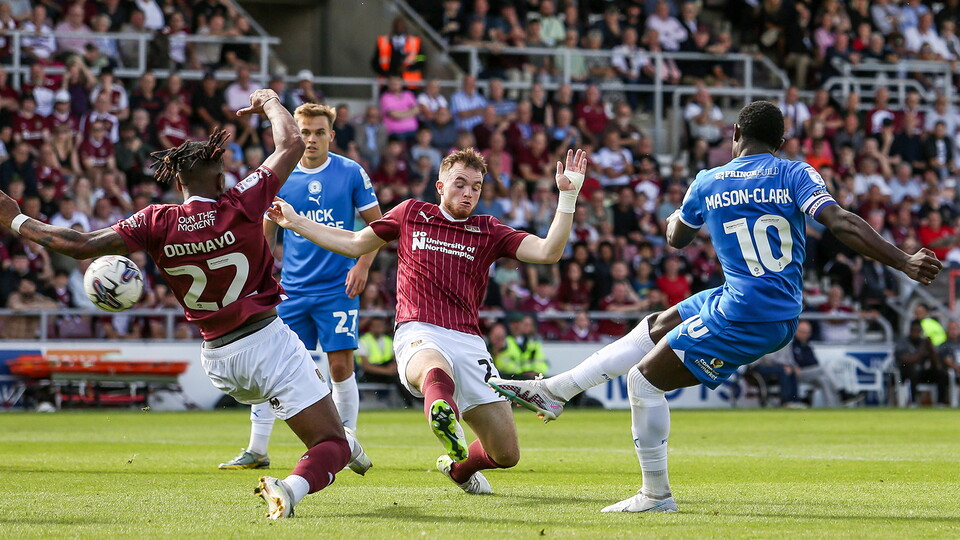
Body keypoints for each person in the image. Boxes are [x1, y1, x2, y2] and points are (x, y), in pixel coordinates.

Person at [487, 101, 940, 513]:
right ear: (780, 142)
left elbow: (677, 239)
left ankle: (656, 495)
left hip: (747, 315)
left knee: (642, 382)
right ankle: (557, 390)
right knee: (657, 324)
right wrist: (902, 260)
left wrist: (673, 220)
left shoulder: (709, 181)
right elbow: (841, 223)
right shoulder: (795, 174)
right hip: (761, 302)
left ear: (735, 133)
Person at [0, 88, 371, 520]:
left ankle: (335, 443)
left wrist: (15, 218)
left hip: (219, 360)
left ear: (179, 184)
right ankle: (290, 489)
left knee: (312, 403)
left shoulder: (156, 221)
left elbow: (78, 244)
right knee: (330, 444)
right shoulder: (242, 201)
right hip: (266, 342)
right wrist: (269, 100)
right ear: (221, 180)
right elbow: (289, 142)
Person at [266, 147, 588, 494]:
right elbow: (356, 242)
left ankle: (459, 468)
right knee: (435, 371)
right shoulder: (411, 213)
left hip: (469, 342)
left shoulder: (488, 230)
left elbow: (548, 252)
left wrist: (567, 197)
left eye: (476, 187)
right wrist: (295, 221)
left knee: (506, 454)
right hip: (418, 329)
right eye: (460, 184)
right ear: (440, 186)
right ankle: (443, 414)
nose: (468, 193)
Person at [218, 102, 382, 472]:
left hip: (338, 287)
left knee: (340, 365)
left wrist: (362, 266)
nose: (311, 139)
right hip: (292, 290)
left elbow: (379, 227)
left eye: (319, 132)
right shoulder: (282, 174)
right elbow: (267, 231)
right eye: (304, 132)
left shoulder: (350, 172)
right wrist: (262, 276)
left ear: (331, 135)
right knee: (271, 367)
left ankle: (347, 441)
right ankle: (257, 449)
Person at [896, 319, 950, 406]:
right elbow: (909, 361)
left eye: (919, 331)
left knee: (941, 373)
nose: (916, 333)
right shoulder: (903, 342)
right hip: (905, 373)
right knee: (913, 371)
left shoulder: (923, 342)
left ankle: (941, 402)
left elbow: (937, 364)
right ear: (910, 330)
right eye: (915, 330)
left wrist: (931, 348)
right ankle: (913, 402)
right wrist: (922, 349)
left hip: (921, 372)